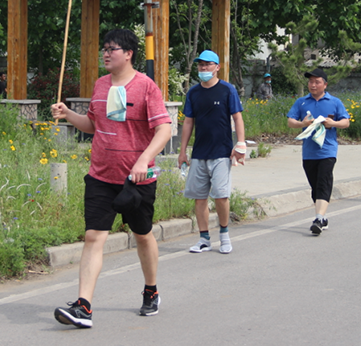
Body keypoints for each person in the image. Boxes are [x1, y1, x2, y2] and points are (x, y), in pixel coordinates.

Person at [51, 29, 172, 328]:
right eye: (104, 48)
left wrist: (143, 159)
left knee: (142, 234)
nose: (105, 53)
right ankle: (83, 307)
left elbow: (164, 129)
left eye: (112, 49)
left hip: (136, 180)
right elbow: (92, 125)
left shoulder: (146, 87)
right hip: (101, 176)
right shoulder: (101, 84)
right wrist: (68, 114)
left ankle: (151, 290)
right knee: (93, 236)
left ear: (128, 53)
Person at [178, 50, 245, 254]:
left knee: (221, 196)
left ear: (217, 67)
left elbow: (237, 118)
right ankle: (204, 238)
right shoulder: (193, 93)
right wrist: (182, 151)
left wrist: (241, 144)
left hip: (221, 153)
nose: (203, 68)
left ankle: (224, 236)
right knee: (200, 198)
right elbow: (188, 122)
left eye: (207, 64)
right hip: (199, 153)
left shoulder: (227, 90)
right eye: (200, 65)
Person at [287, 68, 350, 235]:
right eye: (310, 82)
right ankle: (323, 216)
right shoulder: (301, 102)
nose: (313, 85)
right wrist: (302, 124)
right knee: (315, 186)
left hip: (327, 151)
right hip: (309, 152)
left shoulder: (334, 102)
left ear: (325, 84)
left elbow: (346, 122)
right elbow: (290, 121)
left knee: (323, 182)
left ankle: (318, 219)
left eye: (317, 82)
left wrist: (333, 123)